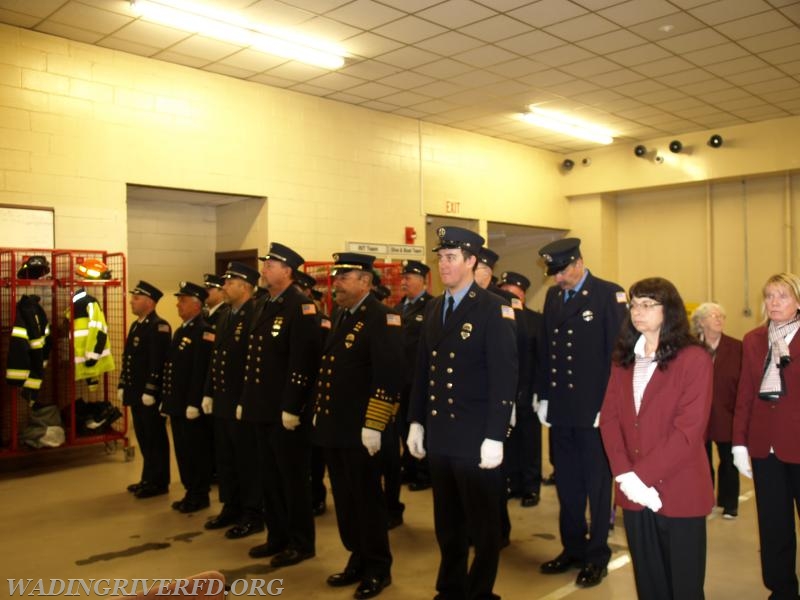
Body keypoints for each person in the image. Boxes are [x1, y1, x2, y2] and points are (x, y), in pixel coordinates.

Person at [407, 226, 517, 600]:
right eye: (440, 258)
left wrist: (495, 435)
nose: (443, 265)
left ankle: (480, 591)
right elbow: (424, 369)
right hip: (442, 435)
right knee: (448, 523)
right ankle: (450, 587)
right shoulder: (435, 307)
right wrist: (416, 420)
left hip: (475, 437)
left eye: (451, 257)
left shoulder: (493, 308)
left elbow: (505, 376)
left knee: (484, 527)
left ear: (472, 261)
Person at [600, 277, 714, 600]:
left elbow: (688, 431)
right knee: (649, 583)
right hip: (634, 492)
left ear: (670, 310)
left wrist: (641, 476)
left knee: (685, 586)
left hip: (680, 489)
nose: (638, 311)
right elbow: (609, 419)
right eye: (634, 304)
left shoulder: (694, 359)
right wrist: (624, 474)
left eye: (648, 304)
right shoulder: (623, 360)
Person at [535, 237, 627, 588]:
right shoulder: (554, 296)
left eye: (560, 272)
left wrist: (609, 406)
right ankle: (572, 548)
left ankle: (597, 555)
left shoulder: (608, 294)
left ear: (577, 262)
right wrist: (542, 395)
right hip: (562, 410)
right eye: (553, 274)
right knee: (568, 483)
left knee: (597, 485)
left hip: (595, 412)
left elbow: (619, 357)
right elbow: (546, 349)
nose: (556, 279)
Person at [312, 252, 403, 600]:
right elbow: (332, 369)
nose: (337, 284)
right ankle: (357, 557)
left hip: (362, 430)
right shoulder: (342, 316)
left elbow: (389, 374)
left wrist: (375, 424)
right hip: (336, 427)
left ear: (365, 281)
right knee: (346, 499)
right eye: (337, 278)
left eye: (345, 277)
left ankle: (379, 567)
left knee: (367, 500)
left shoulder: (383, 317)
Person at [239, 243, 321, 568]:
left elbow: (304, 360)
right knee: (269, 476)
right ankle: (277, 536)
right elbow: (255, 358)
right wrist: (248, 400)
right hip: (262, 407)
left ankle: (301, 543)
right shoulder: (263, 303)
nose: (264, 269)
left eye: (270, 264)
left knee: (292, 479)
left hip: (285, 412)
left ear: (287, 271)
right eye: (266, 264)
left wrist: (292, 405)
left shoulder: (300, 306)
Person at [732, 273, 800, 600]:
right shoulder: (754, 339)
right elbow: (745, 392)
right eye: (770, 296)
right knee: (774, 525)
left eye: (782, 296)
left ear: (798, 302)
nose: (774, 302)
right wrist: (739, 443)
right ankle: (782, 590)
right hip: (764, 446)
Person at [202, 262, 263, 540]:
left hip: (243, 402)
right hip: (223, 400)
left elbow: (253, 362)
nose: (223, 286)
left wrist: (246, 399)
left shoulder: (254, 314)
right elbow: (216, 358)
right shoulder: (226, 315)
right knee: (225, 457)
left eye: (229, 282)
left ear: (245, 286)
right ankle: (231, 505)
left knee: (247, 460)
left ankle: (252, 513)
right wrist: (208, 391)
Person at [160, 282, 214, 513]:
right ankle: (189, 490)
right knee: (182, 451)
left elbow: (200, 371)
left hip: (190, 405)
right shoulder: (183, 329)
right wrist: (167, 398)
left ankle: (199, 494)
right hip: (177, 404)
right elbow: (172, 367)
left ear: (196, 304)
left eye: (182, 301)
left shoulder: (203, 331)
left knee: (195, 452)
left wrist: (194, 402)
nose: (178, 305)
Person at [119, 281, 172, 499]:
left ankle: (159, 481)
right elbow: (128, 357)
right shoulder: (137, 325)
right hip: (135, 392)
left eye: (136, 298)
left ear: (149, 302)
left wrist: (151, 389)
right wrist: (123, 383)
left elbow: (157, 362)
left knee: (155, 438)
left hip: (149, 394)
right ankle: (147, 478)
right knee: (143, 436)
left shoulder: (159, 326)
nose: (132, 301)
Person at [690, 302, 742, 519]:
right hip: (698, 413)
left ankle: (729, 504)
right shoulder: (691, 347)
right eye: (713, 316)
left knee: (729, 460)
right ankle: (706, 501)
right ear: (701, 322)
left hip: (727, 411)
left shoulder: (737, 347)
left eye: (722, 315)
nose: (719, 319)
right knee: (701, 460)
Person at [498, 270, 543, 508]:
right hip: (506, 393)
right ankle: (512, 483)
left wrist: (538, 391)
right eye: (503, 290)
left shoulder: (536, 320)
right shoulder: (498, 318)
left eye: (512, 291)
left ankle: (530, 487)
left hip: (528, 392)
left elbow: (541, 359)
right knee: (509, 440)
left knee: (529, 441)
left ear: (523, 295)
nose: (507, 295)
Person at [395, 260, 433, 492]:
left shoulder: (431, 306)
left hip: (419, 379)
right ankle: (408, 467)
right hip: (401, 379)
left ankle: (423, 471)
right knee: (402, 426)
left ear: (422, 280)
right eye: (404, 277)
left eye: (408, 278)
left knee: (420, 425)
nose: (404, 282)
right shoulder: (400, 308)